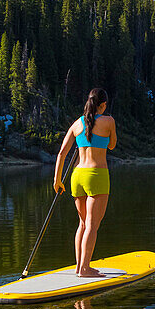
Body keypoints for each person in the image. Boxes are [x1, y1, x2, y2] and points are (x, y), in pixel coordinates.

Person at [54, 88, 116, 277]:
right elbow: (112, 145)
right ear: (103, 105)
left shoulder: (76, 124)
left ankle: (78, 266)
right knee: (91, 225)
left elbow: (62, 153)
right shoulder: (109, 121)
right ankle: (85, 269)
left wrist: (57, 180)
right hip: (96, 175)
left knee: (82, 224)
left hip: (77, 176)